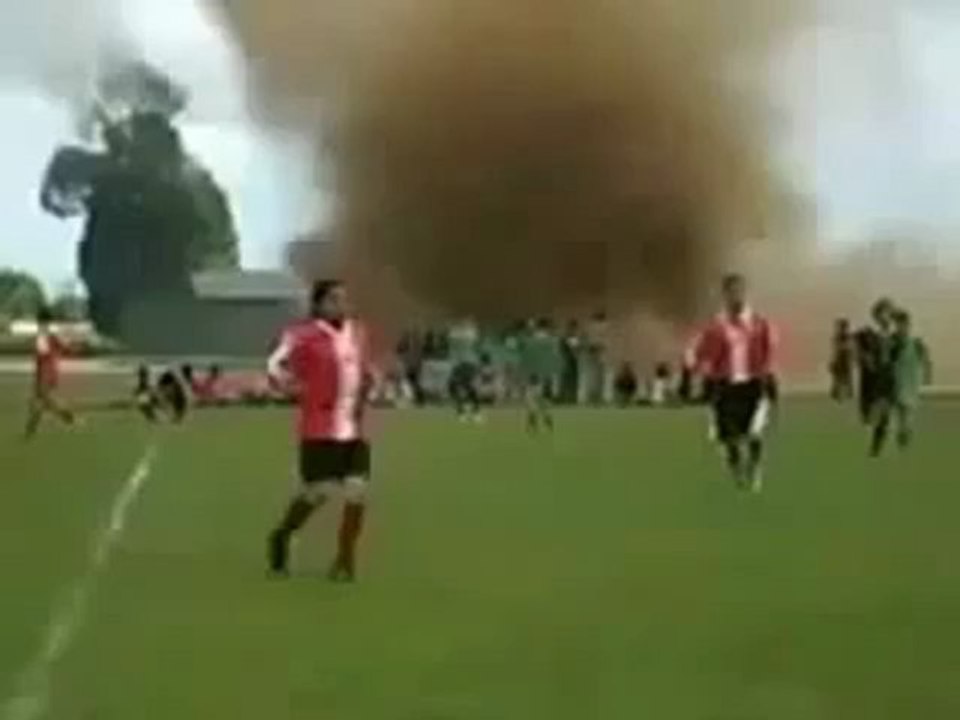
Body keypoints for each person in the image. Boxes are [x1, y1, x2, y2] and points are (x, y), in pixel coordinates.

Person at [266, 280, 375, 582]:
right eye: (334, 299)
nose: (342, 305)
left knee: (358, 491)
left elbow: (361, 371)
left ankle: (345, 558)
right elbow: (275, 363)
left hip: (353, 429)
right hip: (318, 427)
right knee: (319, 493)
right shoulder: (302, 335)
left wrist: (367, 386)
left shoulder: (357, 333)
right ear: (319, 304)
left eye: (344, 299)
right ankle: (282, 536)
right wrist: (291, 386)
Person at [692, 273, 778, 492]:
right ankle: (737, 469)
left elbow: (769, 351)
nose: (736, 296)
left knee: (755, 431)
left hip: (752, 383)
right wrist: (703, 371)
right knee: (728, 436)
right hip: (726, 384)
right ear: (725, 295)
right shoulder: (716, 326)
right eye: (731, 291)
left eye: (739, 290)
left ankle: (755, 468)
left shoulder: (759, 323)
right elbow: (704, 354)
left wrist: (768, 376)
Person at [870, 309, 932, 456]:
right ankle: (875, 449)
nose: (900, 327)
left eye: (903, 324)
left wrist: (927, 376)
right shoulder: (890, 342)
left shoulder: (916, 343)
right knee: (883, 417)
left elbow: (926, 360)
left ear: (908, 325)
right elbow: (883, 362)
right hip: (891, 385)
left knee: (904, 423)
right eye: (898, 324)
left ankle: (903, 450)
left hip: (908, 387)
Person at [24, 307, 77, 439]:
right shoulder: (50, 335)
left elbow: (43, 354)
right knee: (38, 401)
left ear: (39, 320)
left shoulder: (43, 335)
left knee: (44, 400)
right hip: (49, 371)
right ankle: (30, 432)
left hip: (45, 372)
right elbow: (65, 349)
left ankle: (68, 417)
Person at [855, 299, 896, 425]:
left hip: (888, 376)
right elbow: (858, 350)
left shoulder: (895, 335)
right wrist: (865, 358)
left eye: (890, 313)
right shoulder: (867, 333)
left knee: (884, 416)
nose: (887, 316)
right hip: (873, 378)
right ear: (877, 315)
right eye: (885, 312)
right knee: (870, 417)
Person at [519, 318, 560, 433]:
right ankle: (547, 418)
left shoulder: (534, 338)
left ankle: (533, 421)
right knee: (542, 397)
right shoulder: (552, 340)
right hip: (546, 371)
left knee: (530, 396)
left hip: (535, 371)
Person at [448, 318, 483, 423]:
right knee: (467, 388)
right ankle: (473, 413)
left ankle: (466, 413)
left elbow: (453, 337)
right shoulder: (469, 333)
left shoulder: (456, 333)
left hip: (463, 364)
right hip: (465, 364)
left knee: (461, 388)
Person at [829, 318, 856, 402]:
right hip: (840, 360)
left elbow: (850, 348)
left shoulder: (848, 336)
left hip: (846, 360)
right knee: (839, 378)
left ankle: (847, 394)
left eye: (842, 327)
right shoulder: (838, 336)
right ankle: (838, 394)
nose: (841, 329)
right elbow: (835, 349)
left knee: (846, 378)